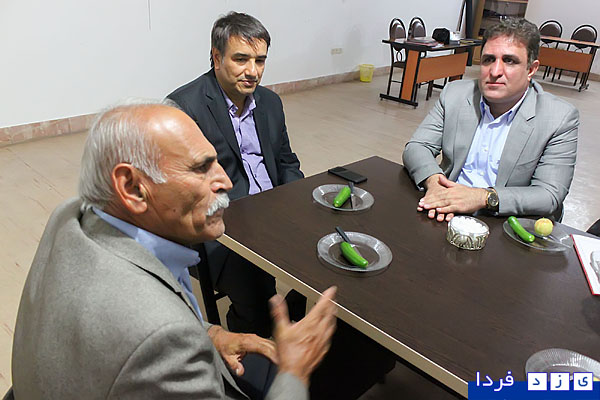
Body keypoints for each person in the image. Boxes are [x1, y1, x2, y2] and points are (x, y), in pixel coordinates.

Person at [11, 100, 337, 400]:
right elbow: (151, 333)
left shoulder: (69, 215)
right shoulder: (162, 339)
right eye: (201, 168)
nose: (225, 182)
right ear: (133, 188)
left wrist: (210, 334)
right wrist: (295, 371)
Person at [167, 12, 304, 337]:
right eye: (241, 59)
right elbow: (184, 190)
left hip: (275, 213)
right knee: (257, 299)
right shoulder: (185, 108)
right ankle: (248, 348)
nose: (252, 71)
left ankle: (296, 321)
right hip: (224, 229)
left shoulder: (270, 103)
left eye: (260, 60)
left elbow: (287, 162)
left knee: (330, 265)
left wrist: (298, 203)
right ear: (216, 58)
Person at [402, 17, 578, 222]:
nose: (495, 72)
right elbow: (417, 146)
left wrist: (482, 197)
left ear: (531, 69)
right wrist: (434, 182)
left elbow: (549, 194)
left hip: (505, 221)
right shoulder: (455, 94)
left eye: (509, 61)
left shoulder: (559, 117)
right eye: (488, 60)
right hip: (446, 207)